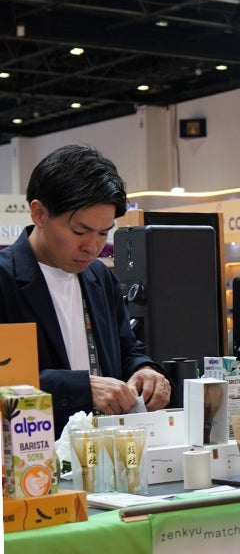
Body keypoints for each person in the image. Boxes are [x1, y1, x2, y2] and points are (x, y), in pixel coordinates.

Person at [0, 143, 168, 433]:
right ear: (39, 213)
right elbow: (7, 378)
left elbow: (127, 349)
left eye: (103, 233)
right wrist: (82, 388)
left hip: (104, 448)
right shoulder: (5, 280)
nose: (92, 247)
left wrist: (145, 370)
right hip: (29, 451)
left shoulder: (100, 278)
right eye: (79, 231)